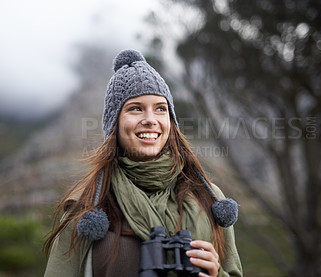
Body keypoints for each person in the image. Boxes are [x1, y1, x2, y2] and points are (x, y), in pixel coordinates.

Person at [44, 49, 242, 277]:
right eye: (135, 108)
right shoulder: (87, 207)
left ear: (171, 122)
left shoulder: (210, 198)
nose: (150, 120)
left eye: (160, 109)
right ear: (114, 125)